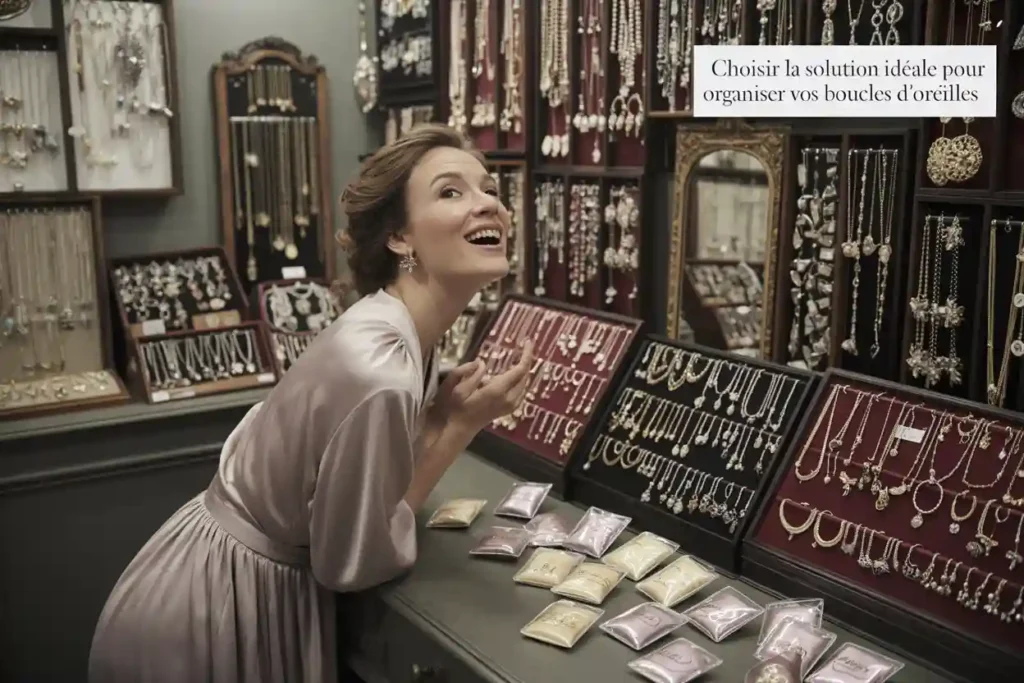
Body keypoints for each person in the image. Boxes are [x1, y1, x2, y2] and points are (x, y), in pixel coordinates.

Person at [88, 124, 535, 683]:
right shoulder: (381, 368)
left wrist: (445, 416)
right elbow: (354, 560)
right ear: (400, 237)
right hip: (215, 613)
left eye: (490, 189)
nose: (488, 205)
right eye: (451, 192)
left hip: (217, 582)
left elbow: (378, 491)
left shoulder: (396, 329)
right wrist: (461, 425)